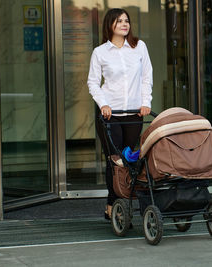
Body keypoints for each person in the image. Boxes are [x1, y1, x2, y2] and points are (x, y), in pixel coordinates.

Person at [87, 8, 153, 219]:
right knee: (114, 160)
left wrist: (145, 103)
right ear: (110, 25)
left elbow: (146, 78)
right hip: (110, 115)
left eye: (127, 21)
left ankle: (128, 198)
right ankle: (113, 204)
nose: (125, 24)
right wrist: (103, 104)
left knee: (131, 158)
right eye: (119, 21)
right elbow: (93, 82)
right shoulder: (100, 52)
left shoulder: (139, 47)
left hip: (134, 114)